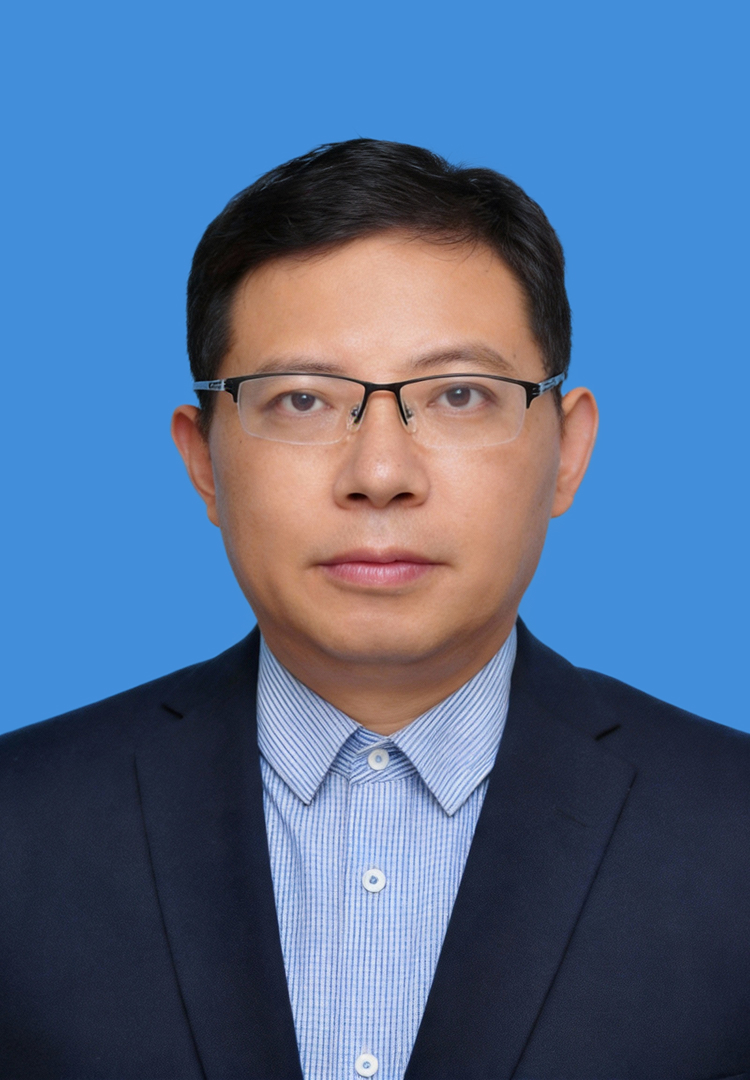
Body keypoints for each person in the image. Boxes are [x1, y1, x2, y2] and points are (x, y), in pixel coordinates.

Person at [1, 139, 748, 1080]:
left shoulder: (732, 829)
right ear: (203, 461)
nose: (382, 473)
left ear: (567, 453)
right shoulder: (20, 825)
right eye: (302, 401)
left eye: (460, 395)